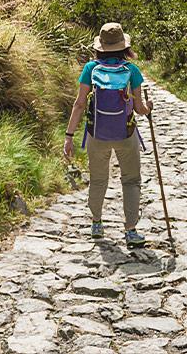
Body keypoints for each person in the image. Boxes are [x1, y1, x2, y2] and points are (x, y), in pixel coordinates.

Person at [63, 22, 151, 246]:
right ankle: (130, 230)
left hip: (97, 134)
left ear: (100, 46)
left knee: (99, 179)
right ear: (124, 46)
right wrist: (149, 107)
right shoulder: (131, 70)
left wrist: (69, 135)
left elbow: (80, 104)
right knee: (131, 180)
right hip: (126, 134)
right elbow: (140, 109)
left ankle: (96, 224)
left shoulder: (90, 69)